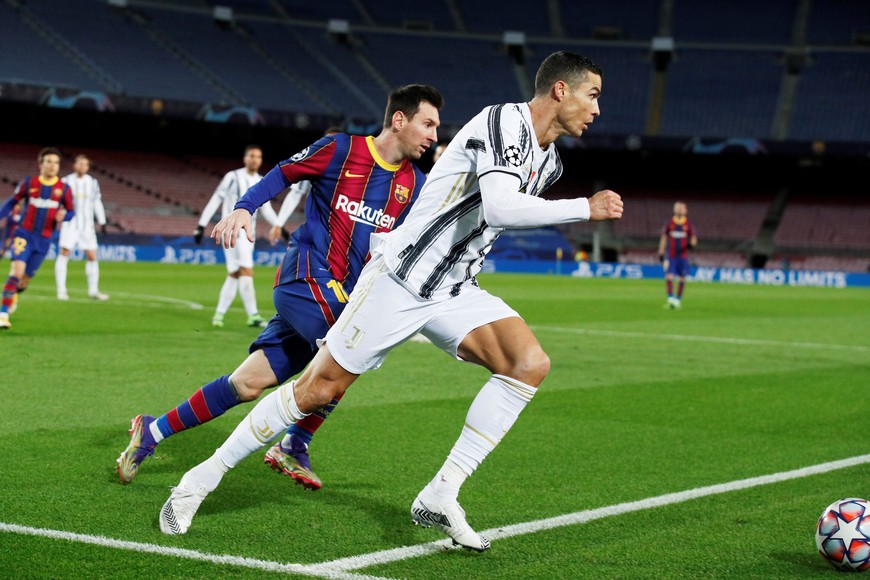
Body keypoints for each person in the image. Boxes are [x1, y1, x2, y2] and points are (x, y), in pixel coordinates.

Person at [158, 51, 623, 552]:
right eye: (592, 95)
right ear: (560, 90)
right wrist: (586, 208)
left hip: (453, 288)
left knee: (527, 363)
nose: (597, 109)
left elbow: (495, 214)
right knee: (316, 390)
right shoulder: (501, 121)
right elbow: (501, 205)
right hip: (400, 278)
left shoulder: (549, 160)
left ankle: (442, 493)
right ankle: (196, 483)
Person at [116, 84, 443, 488]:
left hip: (342, 298)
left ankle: (152, 431)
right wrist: (243, 208)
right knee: (353, 345)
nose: (433, 136)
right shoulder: (341, 149)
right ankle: (294, 443)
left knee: (247, 384)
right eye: (427, 124)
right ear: (399, 120)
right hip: (306, 278)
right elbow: (283, 172)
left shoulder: (416, 185)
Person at [193, 145, 280, 328]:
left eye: (258, 156)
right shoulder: (233, 177)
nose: (254, 159)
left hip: (249, 234)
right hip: (233, 232)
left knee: (234, 274)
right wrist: (201, 225)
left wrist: (279, 225)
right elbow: (216, 199)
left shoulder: (261, 180)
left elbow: (266, 209)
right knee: (247, 271)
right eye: (251, 156)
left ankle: (219, 314)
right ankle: (253, 315)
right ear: (245, 158)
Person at [0, 147, 76, 329]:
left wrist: (63, 216)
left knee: (24, 280)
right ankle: (2, 313)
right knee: (16, 273)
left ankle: (14, 295)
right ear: (41, 164)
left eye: (56, 163)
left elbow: (72, 211)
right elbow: (12, 201)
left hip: (44, 240)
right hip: (24, 234)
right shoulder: (29, 183)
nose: (52, 166)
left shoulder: (64, 189)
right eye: (48, 161)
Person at [267, 127, 342, 247]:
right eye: (327, 140)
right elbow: (296, 194)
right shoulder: (313, 164)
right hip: (317, 228)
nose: (330, 144)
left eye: (335, 141)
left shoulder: (354, 168)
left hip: (343, 230)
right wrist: (278, 224)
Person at [55, 154, 110, 301]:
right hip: (70, 223)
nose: (82, 166)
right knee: (64, 253)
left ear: (88, 167)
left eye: (85, 164)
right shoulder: (66, 181)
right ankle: (61, 290)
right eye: (80, 164)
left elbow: (96, 202)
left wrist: (102, 221)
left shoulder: (92, 182)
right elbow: (58, 201)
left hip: (87, 225)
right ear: (74, 165)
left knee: (92, 255)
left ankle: (93, 290)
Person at [657, 200, 697, 309]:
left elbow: (693, 238)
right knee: (669, 276)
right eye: (678, 207)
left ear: (685, 210)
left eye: (682, 207)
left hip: (683, 257)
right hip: (671, 255)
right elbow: (664, 238)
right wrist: (661, 251)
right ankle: (670, 298)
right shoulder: (669, 223)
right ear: (674, 209)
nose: (679, 209)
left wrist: (692, 244)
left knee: (682, 278)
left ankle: (678, 300)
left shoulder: (688, 224)